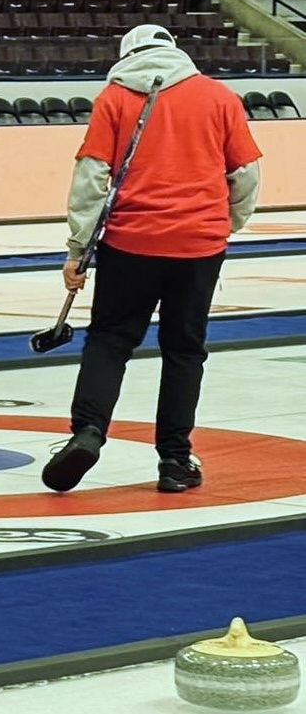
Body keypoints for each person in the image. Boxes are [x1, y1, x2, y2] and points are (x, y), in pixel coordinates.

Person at [41, 24, 262, 494]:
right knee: (184, 351)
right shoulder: (219, 97)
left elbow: (91, 178)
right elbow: (245, 175)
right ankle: (175, 462)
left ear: (127, 55)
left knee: (109, 341)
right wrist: (224, 224)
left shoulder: (114, 99)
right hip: (199, 246)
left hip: (131, 244)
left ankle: (88, 431)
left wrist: (78, 249)